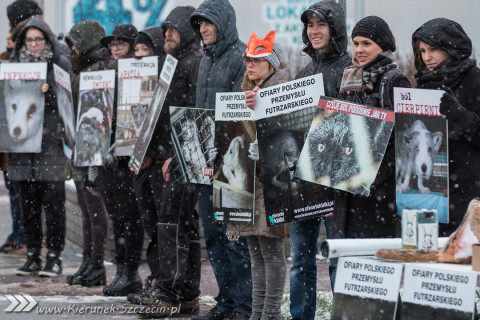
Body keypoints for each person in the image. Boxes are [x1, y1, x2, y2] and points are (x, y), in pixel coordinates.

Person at [129, 7, 203, 318]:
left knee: (176, 224)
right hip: (162, 155)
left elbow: (193, 113)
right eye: (166, 29)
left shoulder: (194, 63)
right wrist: (147, 149)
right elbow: (159, 112)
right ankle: (183, 291)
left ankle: (171, 292)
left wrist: (175, 151)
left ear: (186, 30)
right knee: (174, 224)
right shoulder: (172, 62)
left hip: (180, 156)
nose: (167, 35)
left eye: (172, 29)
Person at [288, 2, 351, 319]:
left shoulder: (350, 70)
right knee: (300, 260)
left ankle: (344, 314)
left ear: (335, 29)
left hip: (337, 182)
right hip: (303, 181)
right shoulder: (304, 72)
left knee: (340, 256)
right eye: (310, 25)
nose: (314, 31)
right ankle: (301, 315)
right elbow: (289, 123)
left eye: (321, 25)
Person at [190, 0, 252, 319]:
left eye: (208, 23)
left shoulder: (241, 58)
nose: (203, 29)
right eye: (199, 24)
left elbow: (241, 116)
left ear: (223, 23)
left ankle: (243, 305)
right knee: (214, 238)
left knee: (234, 240)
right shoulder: (204, 61)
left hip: (231, 164)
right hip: (205, 163)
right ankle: (226, 301)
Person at [332, 16, 411, 239]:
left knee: (374, 263)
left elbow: (402, 141)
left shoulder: (395, 81)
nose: (359, 50)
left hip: (379, 194)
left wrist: (374, 176)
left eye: (366, 43)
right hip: (349, 189)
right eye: (355, 43)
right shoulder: (350, 77)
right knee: (348, 263)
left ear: (383, 46)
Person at [230, 30, 290, 320]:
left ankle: (270, 313)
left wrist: (267, 148)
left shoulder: (283, 91)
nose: (250, 65)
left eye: (257, 59)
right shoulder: (245, 92)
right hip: (249, 181)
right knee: (255, 250)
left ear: (272, 64)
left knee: (272, 251)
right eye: (247, 59)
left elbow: (293, 137)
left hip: (273, 183)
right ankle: (258, 313)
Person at [10, 17, 71, 277]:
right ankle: (33, 254)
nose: (33, 44)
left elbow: (69, 102)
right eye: (28, 39)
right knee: (28, 205)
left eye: (38, 39)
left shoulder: (58, 65)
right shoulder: (13, 67)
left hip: (49, 145)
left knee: (53, 204)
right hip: (21, 147)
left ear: (47, 40)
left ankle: (54, 256)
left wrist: (50, 93)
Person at [412, 18, 480, 236]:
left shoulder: (475, 79)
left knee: (464, 262)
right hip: (429, 192)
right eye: (422, 51)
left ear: (451, 47)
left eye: (433, 49)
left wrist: (457, 113)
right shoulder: (424, 81)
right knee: (427, 260)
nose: (426, 57)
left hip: (467, 192)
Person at [98, 24, 145, 296]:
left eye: (121, 44)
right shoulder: (106, 73)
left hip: (130, 156)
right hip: (109, 157)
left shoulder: (139, 73)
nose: (115, 49)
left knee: (131, 216)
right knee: (117, 217)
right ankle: (121, 271)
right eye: (112, 45)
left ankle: (130, 272)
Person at [63, 20, 110, 287]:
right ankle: (88, 261)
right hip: (79, 145)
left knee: (94, 208)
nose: (71, 49)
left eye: (74, 44)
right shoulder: (80, 67)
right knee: (84, 206)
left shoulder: (98, 70)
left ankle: (96, 264)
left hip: (93, 147)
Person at [126, 25, 165, 305]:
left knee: (164, 225)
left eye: (145, 50)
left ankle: (164, 281)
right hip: (140, 160)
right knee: (151, 225)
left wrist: (151, 150)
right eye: (136, 50)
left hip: (158, 161)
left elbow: (161, 120)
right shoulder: (133, 78)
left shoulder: (165, 76)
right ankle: (156, 277)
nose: (140, 55)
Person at [0, 30, 25, 255]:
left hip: (21, 138)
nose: (8, 40)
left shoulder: (26, 64)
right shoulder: (3, 61)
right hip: (6, 140)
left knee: (20, 191)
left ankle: (23, 234)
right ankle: (18, 233)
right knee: (12, 189)